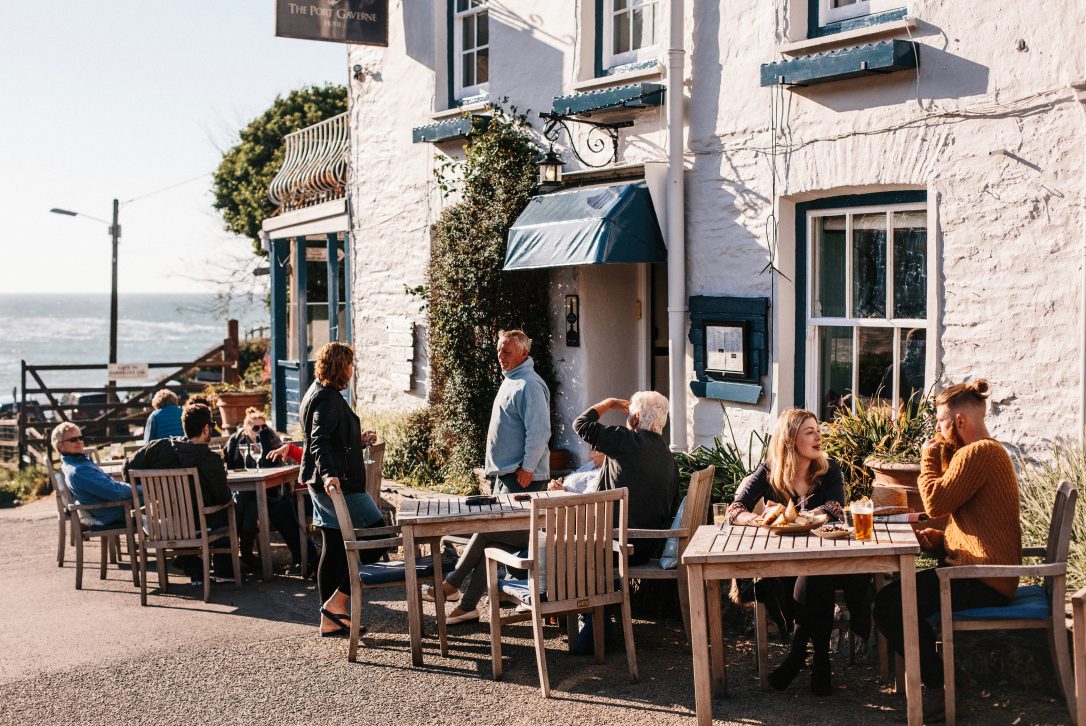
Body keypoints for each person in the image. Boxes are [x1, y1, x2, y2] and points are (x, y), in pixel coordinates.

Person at [874, 379, 1020, 722]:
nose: (937, 431)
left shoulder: (979, 452)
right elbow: (975, 523)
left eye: (940, 422)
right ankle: (948, 680)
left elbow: (937, 504)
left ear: (959, 422)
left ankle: (941, 688)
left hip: (986, 580)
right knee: (898, 599)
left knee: (889, 605)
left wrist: (928, 458)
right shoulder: (983, 452)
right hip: (980, 573)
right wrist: (940, 542)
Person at [726, 408, 868, 696]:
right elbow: (734, 509)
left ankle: (801, 657)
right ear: (790, 440)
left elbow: (835, 508)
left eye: (818, 430)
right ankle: (818, 661)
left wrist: (807, 516)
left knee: (818, 574)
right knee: (815, 577)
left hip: (825, 561)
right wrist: (759, 519)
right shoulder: (768, 472)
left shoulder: (830, 470)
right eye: (810, 432)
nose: (818, 436)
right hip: (783, 565)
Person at [299, 341, 387, 638]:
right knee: (380, 537)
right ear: (341, 366)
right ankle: (336, 604)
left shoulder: (318, 392)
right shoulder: (326, 398)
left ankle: (331, 618)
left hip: (325, 481)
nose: (353, 370)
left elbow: (328, 437)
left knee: (334, 547)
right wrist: (329, 475)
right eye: (350, 365)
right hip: (337, 485)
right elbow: (318, 441)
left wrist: (357, 439)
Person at [124, 403, 235, 581]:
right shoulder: (211, 460)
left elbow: (128, 468)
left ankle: (195, 571)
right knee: (226, 508)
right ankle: (224, 571)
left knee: (181, 514)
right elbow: (222, 497)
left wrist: (151, 493)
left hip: (168, 524)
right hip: (200, 524)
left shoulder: (157, 448)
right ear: (206, 429)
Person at [572, 392, 680, 566]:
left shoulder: (626, 441)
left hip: (613, 548)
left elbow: (580, 424)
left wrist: (608, 402)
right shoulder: (668, 458)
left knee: (553, 529)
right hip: (647, 550)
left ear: (635, 418)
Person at [484, 329, 551, 495]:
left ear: (524, 353)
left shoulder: (529, 385)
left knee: (513, 522)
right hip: (508, 474)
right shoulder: (512, 379)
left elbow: (540, 431)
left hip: (523, 477)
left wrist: (528, 468)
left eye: (507, 352)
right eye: (499, 350)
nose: (500, 356)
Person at [222, 407, 285, 570]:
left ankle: (235, 550)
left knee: (247, 498)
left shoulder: (270, 440)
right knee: (248, 499)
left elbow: (272, 466)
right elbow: (230, 467)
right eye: (256, 428)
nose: (260, 431)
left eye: (263, 427)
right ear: (247, 429)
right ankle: (246, 552)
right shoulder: (237, 442)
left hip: (269, 491)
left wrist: (264, 445)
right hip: (244, 492)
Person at [53, 422, 134, 527]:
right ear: (61, 446)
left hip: (113, 508)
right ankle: (158, 538)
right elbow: (115, 492)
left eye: (80, 438)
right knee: (156, 497)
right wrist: (146, 488)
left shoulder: (76, 462)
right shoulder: (79, 471)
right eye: (73, 440)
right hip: (114, 514)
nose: (79, 442)